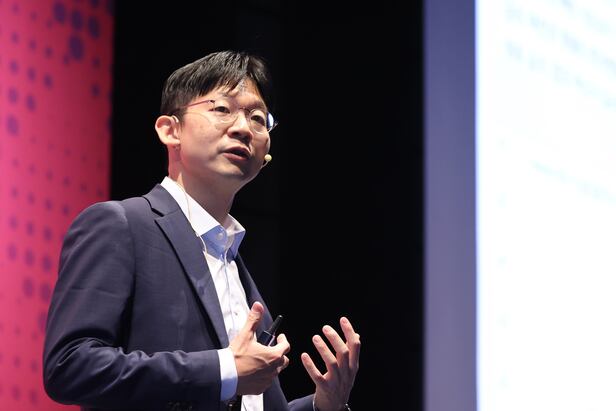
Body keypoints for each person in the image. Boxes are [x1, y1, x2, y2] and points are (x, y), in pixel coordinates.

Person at [42, 50, 360, 411]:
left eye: (258, 118)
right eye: (222, 109)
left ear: (266, 154)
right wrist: (224, 369)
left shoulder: (236, 269)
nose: (243, 128)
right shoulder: (120, 225)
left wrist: (323, 406)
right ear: (170, 130)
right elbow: (70, 365)